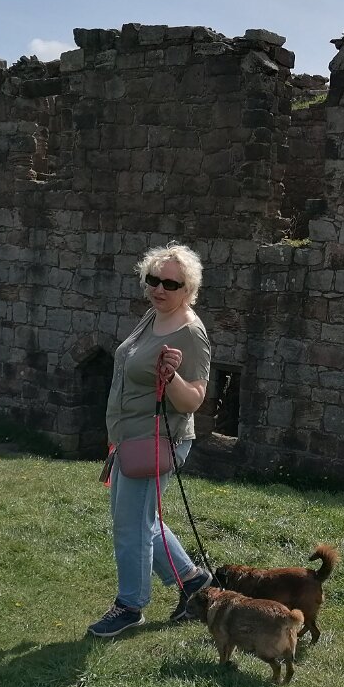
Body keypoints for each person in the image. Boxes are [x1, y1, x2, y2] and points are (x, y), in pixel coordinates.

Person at [87, 243, 214, 638]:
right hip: (129, 437)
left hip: (157, 441)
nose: (159, 289)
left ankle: (130, 605)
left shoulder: (190, 332)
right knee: (141, 518)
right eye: (153, 280)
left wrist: (171, 377)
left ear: (188, 289)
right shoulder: (153, 316)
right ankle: (193, 580)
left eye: (170, 284)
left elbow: (193, 400)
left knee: (131, 526)